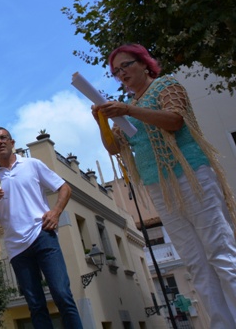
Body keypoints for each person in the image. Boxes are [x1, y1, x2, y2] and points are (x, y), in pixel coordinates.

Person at [93, 43, 236, 327]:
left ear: (145, 63)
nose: (121, 73)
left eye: (126, 65)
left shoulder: (165, 86)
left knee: (219, 251)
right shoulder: (126, 110)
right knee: (196, 263)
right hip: (160, 186)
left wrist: (129, 110)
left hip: (191, 174)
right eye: (116, 71)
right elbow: (114, 148)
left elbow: (174, 120)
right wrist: (102, 122)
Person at [0, 127, 83, 329]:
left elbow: (65, 187)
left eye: (3, 138)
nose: (0, 141)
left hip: (42, 234)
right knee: (36, 304)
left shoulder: (32, 165)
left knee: (62, 294)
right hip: (16, 248)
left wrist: (55, 212)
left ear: (12, 143)